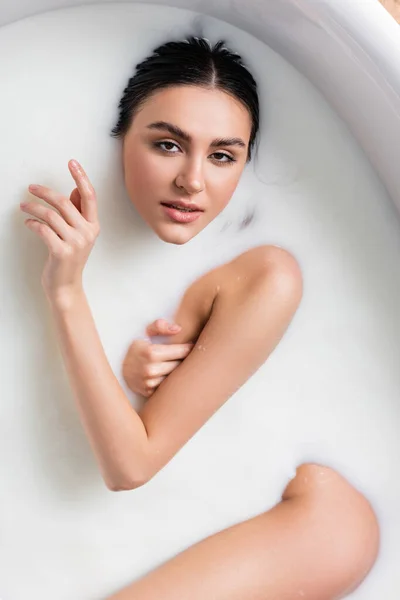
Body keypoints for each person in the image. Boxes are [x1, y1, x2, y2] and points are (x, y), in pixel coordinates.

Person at [19, 36, 379, 599]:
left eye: (222, 156)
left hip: (309, 528)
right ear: (118, 139)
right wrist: (136, 374)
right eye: (167, 145)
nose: (193, 180)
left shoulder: (269, 274)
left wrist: (66, 291)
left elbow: (129, 466)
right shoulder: (193, 273)